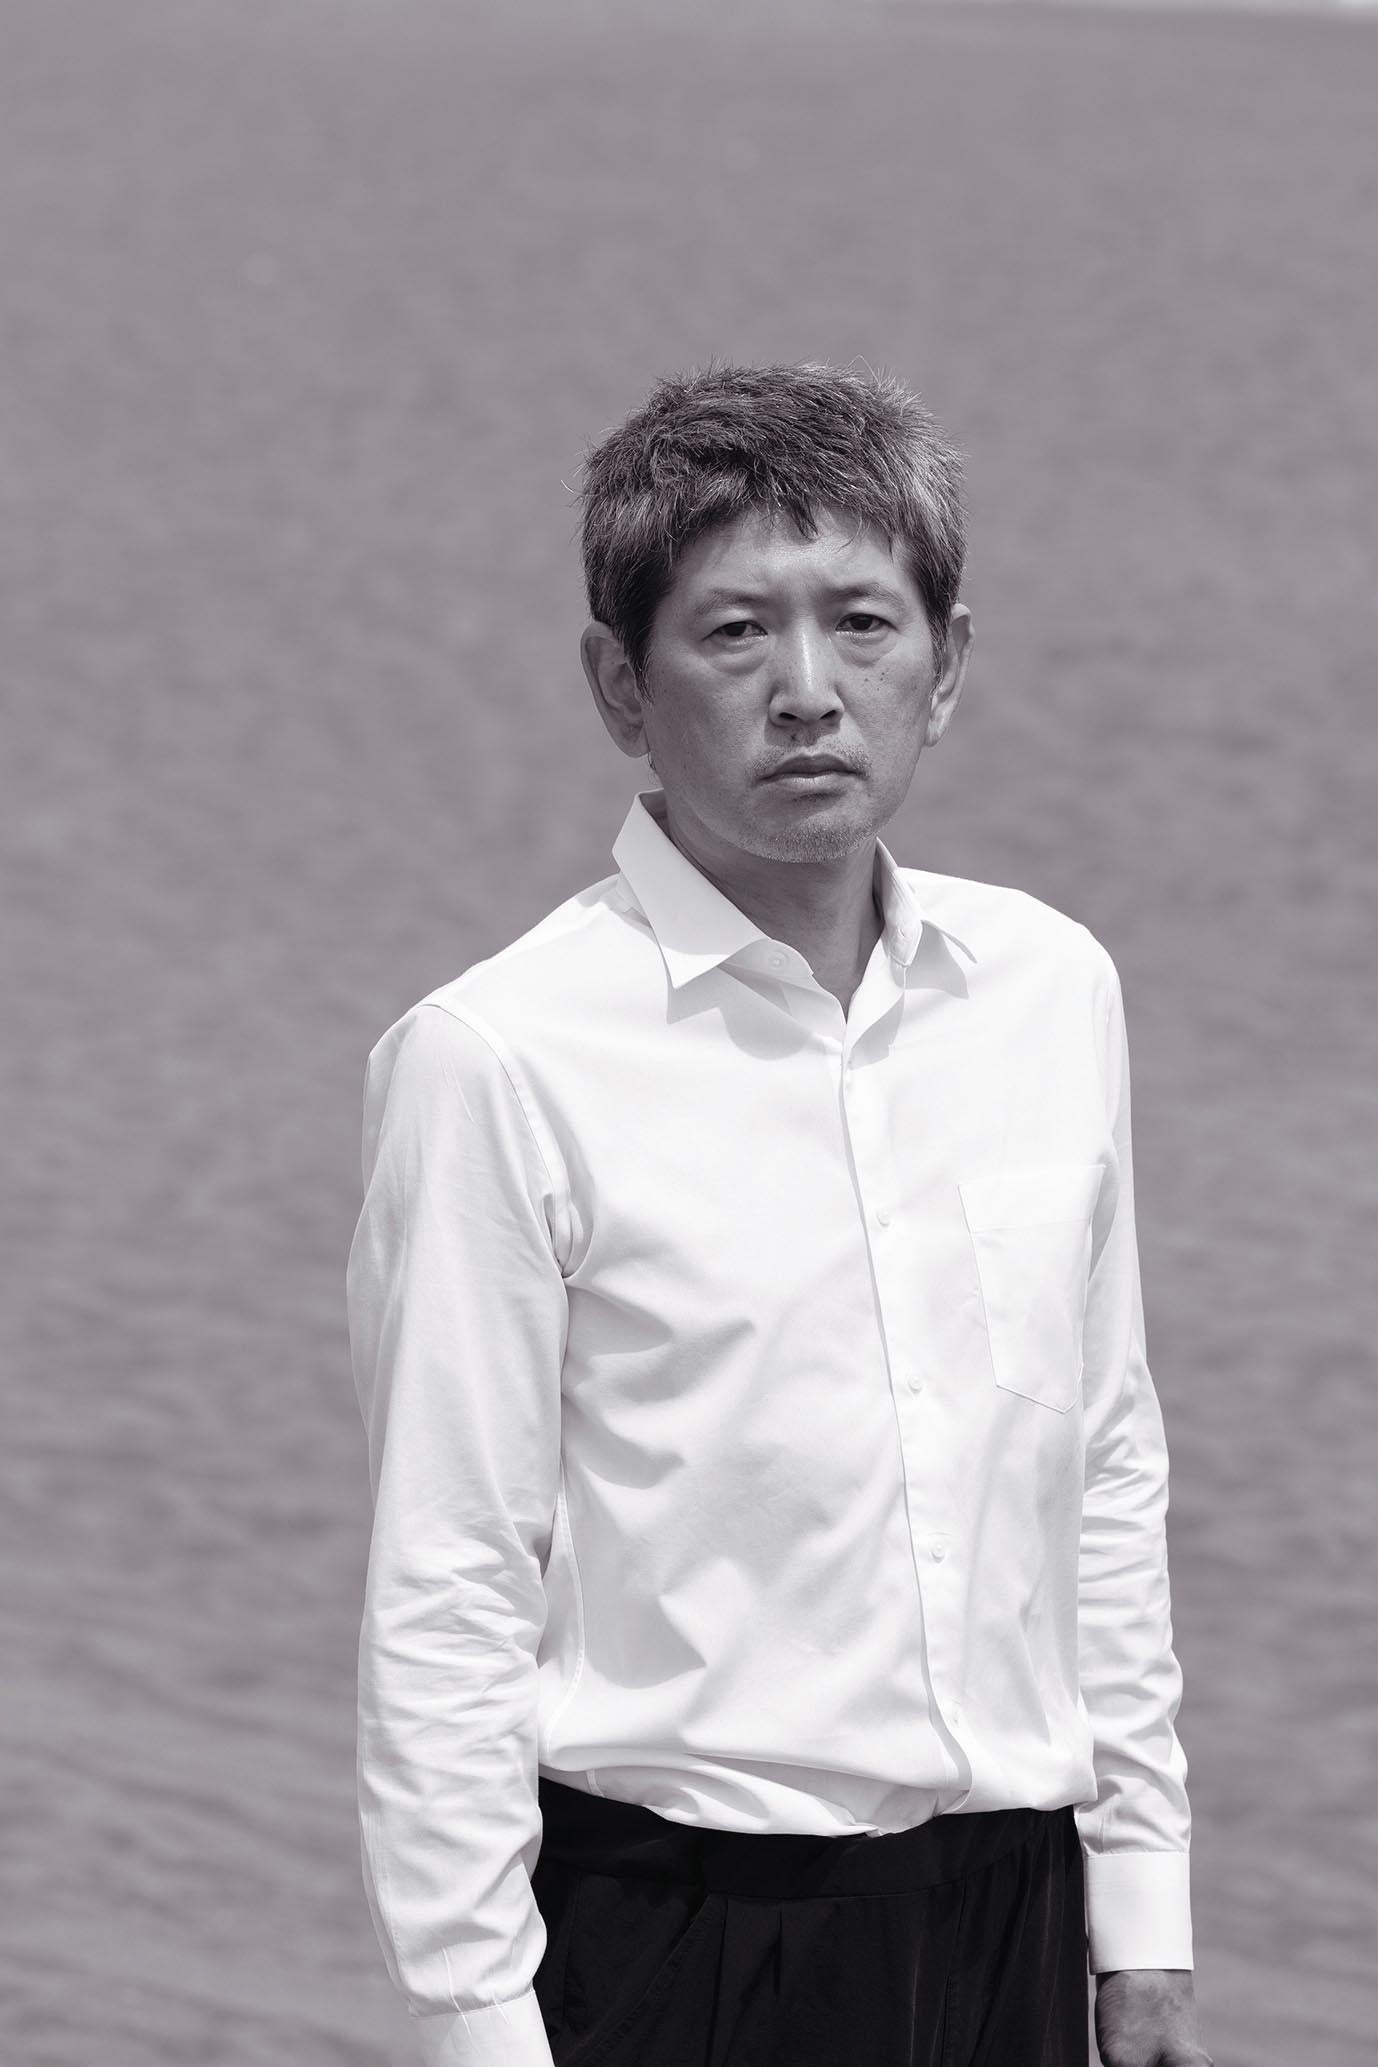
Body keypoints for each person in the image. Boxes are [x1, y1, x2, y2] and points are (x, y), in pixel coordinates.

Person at [346, 362, 1212, 2067]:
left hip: (1014, 1911)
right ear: (620, 685)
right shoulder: (497, 1059)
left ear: (945, 666)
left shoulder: (1048, 989)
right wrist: (472, 2023)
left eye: (863, 626)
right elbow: (446, 1581)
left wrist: (1143, 1918)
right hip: (676, 1934)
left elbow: (1103, 1468)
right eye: (735, 633)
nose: (808, 693)